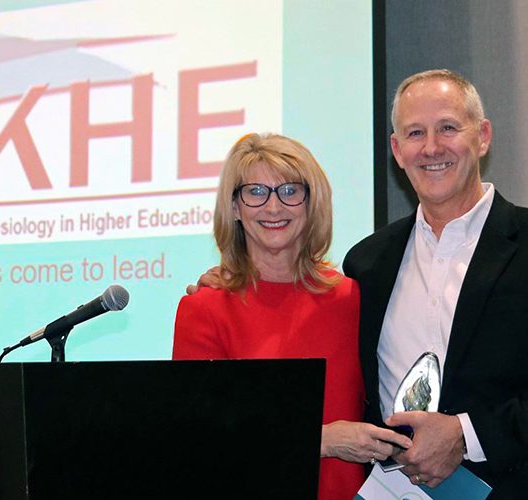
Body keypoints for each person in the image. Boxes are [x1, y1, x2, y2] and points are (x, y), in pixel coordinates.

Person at [173, 133, 412, 500]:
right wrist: (323, 440)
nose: (273, 207)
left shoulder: (353, 298)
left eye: (289, 191)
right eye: (255, 192)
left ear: (311, 203)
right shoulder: (203, 309)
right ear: (234, 207)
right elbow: (202, 439)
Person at [343, 69, 528, 497]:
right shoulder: (367, 262)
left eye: (448, 128)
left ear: (482, 137)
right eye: (415, 133)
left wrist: (466, 435)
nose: (431, 148)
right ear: (397, 150)